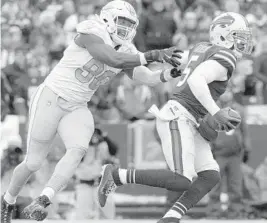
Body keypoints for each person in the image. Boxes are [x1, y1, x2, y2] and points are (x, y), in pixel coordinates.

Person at [1, 1, 184, 222]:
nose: (125, 28)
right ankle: (7, 201)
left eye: (129, 24)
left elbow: (144, 76)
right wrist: (151, 55)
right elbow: (109, 58)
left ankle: (42, 200)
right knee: (33, 163)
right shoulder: (92, 30)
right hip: (52, 96)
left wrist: (169, 74)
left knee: (78, 149)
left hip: (77, 105)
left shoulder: (126, 49)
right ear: (107, 18)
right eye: (121, 21)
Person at [98, 12, 253, 223]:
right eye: (238, 36)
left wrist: (169, 71)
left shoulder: (203, 47)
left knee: (210, 174)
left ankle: (172, 217)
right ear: (224, 36)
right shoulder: (225, 58)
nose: (243, 42)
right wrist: (215, 112)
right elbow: (197, 80)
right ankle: (117, 176)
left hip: (190, 117)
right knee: (181, 179)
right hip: (180, 115)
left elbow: (182, 61)